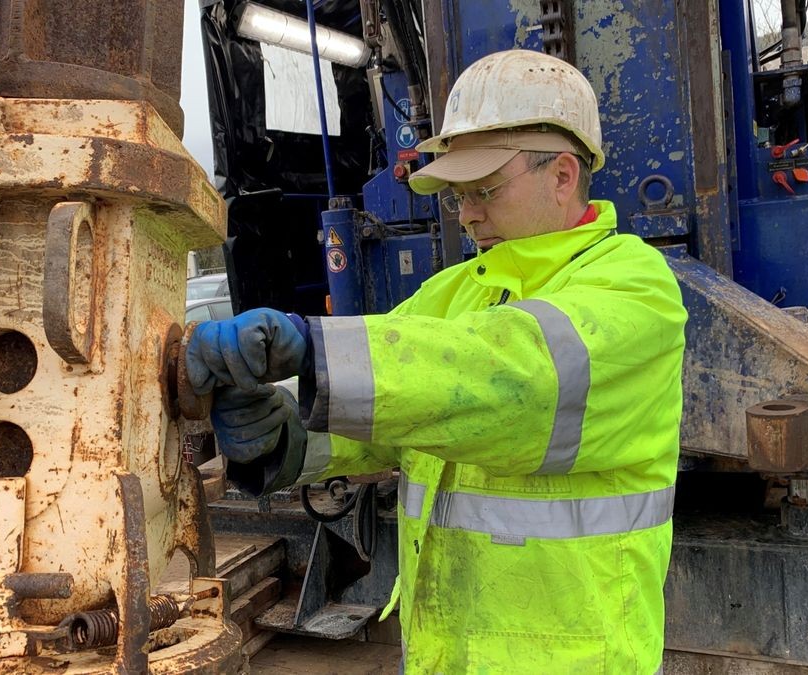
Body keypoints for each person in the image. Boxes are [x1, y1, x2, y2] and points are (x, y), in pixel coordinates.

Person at [185, 49, 686, 674]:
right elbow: (394, 411)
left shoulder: (635, 288)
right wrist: (284, 436)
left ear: (562, 175)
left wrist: (314, 348)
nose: (468, 213)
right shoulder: (457, 291)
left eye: (484, 189)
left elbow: (512, 383)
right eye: (456, 195)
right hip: (444, 656)